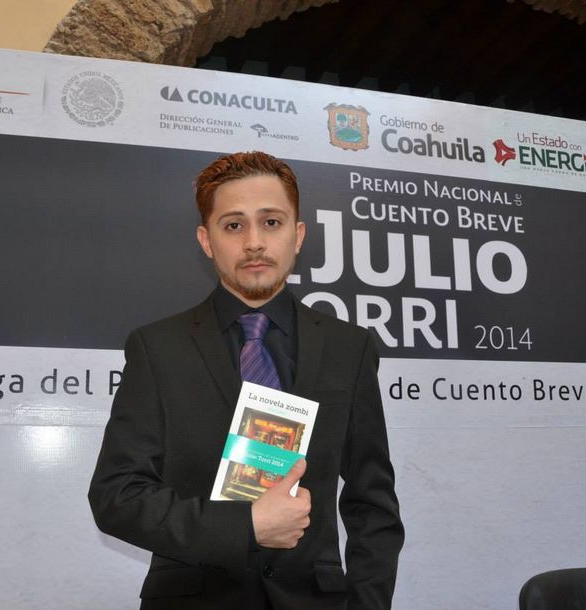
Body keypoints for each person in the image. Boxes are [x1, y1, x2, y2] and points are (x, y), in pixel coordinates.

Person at [89, 151, 404, 610]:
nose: (254, 242)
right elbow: (116, 496)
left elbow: (372, 503)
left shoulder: (349, 348)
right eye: (234, 225)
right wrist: (247, 526)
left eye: (271, 222)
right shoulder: (157, 348)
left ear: (298, 235)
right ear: (206, 240)